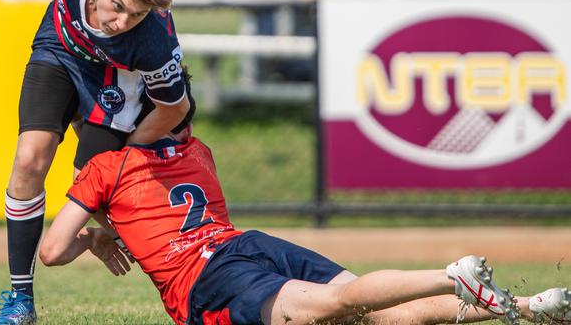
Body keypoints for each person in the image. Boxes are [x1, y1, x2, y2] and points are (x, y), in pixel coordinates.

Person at [34, 86, 571, 325]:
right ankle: (531, 307)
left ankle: (448, 275)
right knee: (381, 315)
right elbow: (159, 202)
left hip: (209, 282)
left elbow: (53, 251)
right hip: (248, 245)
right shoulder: (199, 151)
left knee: (335, 309)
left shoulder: (106, 170)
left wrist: (98, 234)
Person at [0, 0, 191, 324]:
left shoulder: (154, 42)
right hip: (60, 47)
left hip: (116, 82)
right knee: (30, 158)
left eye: (137, 14)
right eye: (119, 6)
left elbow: (176, 107)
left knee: (97, 197)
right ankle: (20, 303)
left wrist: (132, 149)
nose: (122, 21)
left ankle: (105, 240)